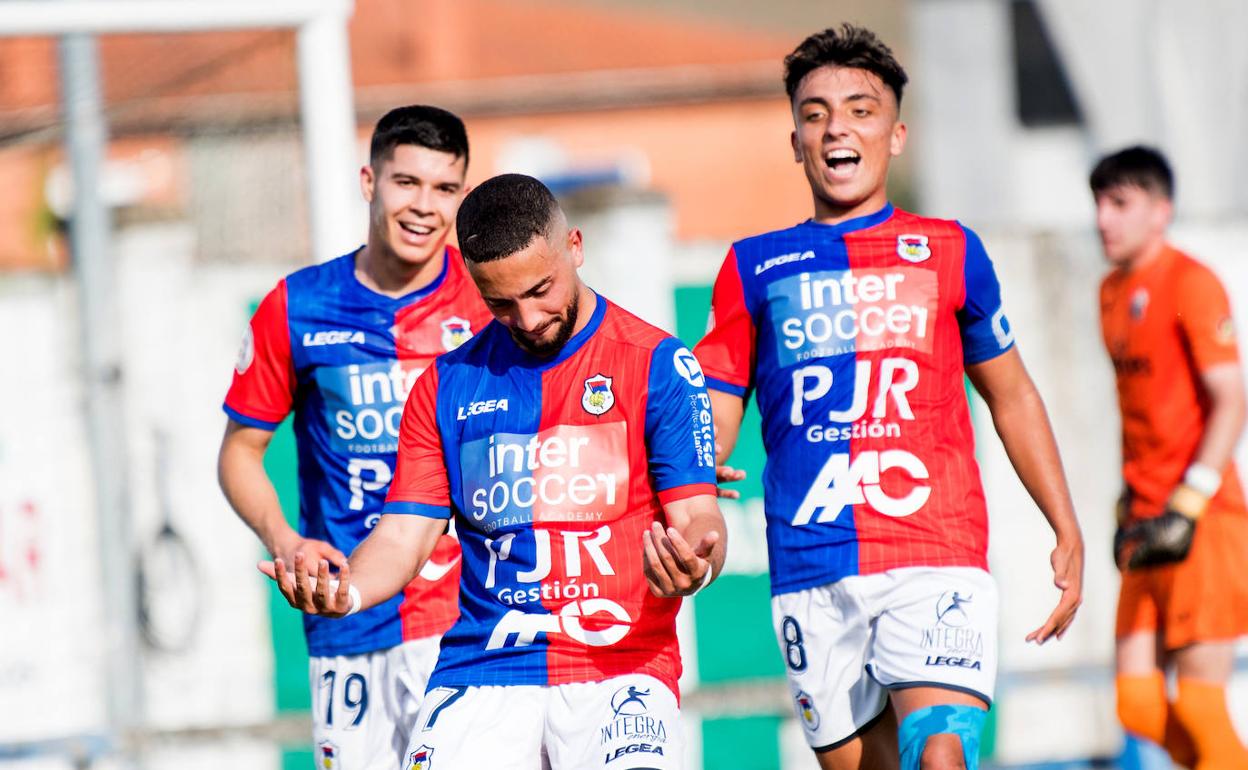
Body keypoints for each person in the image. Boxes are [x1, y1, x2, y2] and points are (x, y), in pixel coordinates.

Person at [693, 24, 1084, 770]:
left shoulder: (950, 249)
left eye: (860, 109)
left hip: (936, 549)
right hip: (812, 560)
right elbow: (718, 395)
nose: (837, 127)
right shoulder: (752, 266)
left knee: (939, 757)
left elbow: (1013, 394)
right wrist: (699, 477)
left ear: (896, 135)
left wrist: (1063, 525)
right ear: (796, 140)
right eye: (815, 113)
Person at [262, 173, 728, 770]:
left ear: (575, 248)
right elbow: (403, 536)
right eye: (500, 302)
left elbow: (699, 516)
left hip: (619, 665)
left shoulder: (660, 365)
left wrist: (695, 563)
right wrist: (346, 591)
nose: (528, 318)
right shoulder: (445, 385)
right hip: (484, 671)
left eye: (540, 290)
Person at [218, 105, 492, 770]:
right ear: (369, 181)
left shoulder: (488, 301)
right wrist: (285, 541)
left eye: (444, 188)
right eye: (407, 183)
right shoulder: (297, 306)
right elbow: (239, 452)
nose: (424, 206)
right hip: (346, 617)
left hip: (466, 623)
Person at [1091, 145, 1248, 769]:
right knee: (1136, 706)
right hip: (1145, 517)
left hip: (1202, 520)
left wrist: (1189, 499)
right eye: (1100, 203)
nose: (1105, 218)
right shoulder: (1110, 292)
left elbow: (1231, 401)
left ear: (1162, 211)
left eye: (1121, 203)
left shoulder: (1189, 283)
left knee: (1202, 707)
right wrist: (1127, 499)